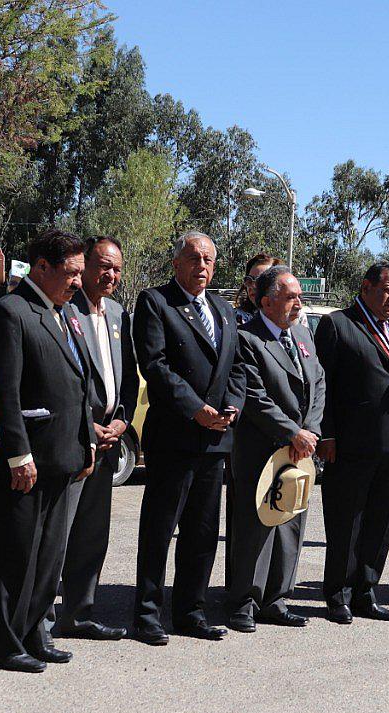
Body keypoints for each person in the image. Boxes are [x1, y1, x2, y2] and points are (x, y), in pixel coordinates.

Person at [0, 229, 95, 672]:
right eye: (71, 273)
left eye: (80, 273)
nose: (78, 282)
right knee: (15, 556)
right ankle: (3, 643)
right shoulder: (11, 312)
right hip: (26, 461)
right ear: (42, 267)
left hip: (64, 456)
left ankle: (33, 634)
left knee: (48, 557)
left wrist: (86, 444)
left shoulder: (65, 314)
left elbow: (80, 385)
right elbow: (5, 394)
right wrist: (17, 454)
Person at [132, 231, 243, 645]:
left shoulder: (223, 309)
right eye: (194, 258)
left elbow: (237, 366)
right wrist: (195, 408)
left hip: (215, 440)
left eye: (209, 260)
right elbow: (155, 365)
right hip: (175, 437)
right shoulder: (156, 302)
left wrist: (232, 407)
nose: (202, 266)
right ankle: (147, 614)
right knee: (160, 530)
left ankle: (191, 611)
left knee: (202, 531)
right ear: (176, 262)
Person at [315, 262, 389, 624]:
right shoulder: (338, 325)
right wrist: (326, 434)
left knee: (381, 524)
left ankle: (366, 592)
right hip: (350, 445)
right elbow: (322, 385)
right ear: (366, 287)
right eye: (387, 289)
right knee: (347, 524)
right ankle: (338, 595)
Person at [226, 265, 326, 632]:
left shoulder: (301, 333)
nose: (298, 303)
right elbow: (255, 397)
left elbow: (318, 381)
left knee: (290, 521)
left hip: (299, 450)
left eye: (300, 297)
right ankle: (244, 601)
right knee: (255, 527)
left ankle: (276, 598)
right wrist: (292, 432)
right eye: (290, 297)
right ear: (266, 302)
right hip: (261, 449)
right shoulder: (246, 338)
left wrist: (309, 431)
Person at [55, 236, 138, 640]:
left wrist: (122, 420)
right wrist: (89, 426)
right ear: (84, 265)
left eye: (117, 269)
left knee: (92, 534)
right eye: (104, 266)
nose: (111, 275)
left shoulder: (118, 313)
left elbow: (126, 375)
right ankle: (40, 620)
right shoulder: (63, 309)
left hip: (109, 439)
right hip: (74, 439)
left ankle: (79, 613)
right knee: (60, 534)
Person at [235, 253, 282, 326]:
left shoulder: (291, 317)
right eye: (249, 280)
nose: (253, 286)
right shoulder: (235, 318)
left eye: (260, 281)